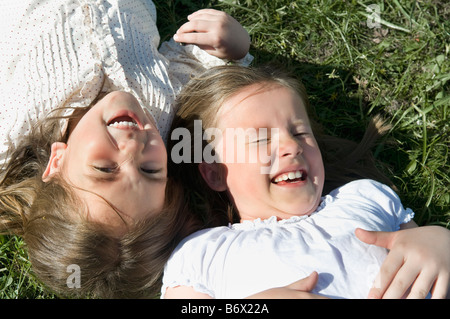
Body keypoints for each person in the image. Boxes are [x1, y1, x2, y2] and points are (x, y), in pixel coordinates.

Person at [0, 0, 251, 298]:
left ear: (56, 162)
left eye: (105, 169)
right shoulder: (164, 112)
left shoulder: (15, 129)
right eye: (150, 169)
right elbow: (197, 60)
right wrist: (235, 45)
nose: (133, 147)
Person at [162, 65, 450, 299]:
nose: (291, 145)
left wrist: (439, 242)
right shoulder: (204, 254)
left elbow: (418, 247)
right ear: (215, 173)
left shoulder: (364, 197)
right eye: (261, 138)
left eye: (300, 133)